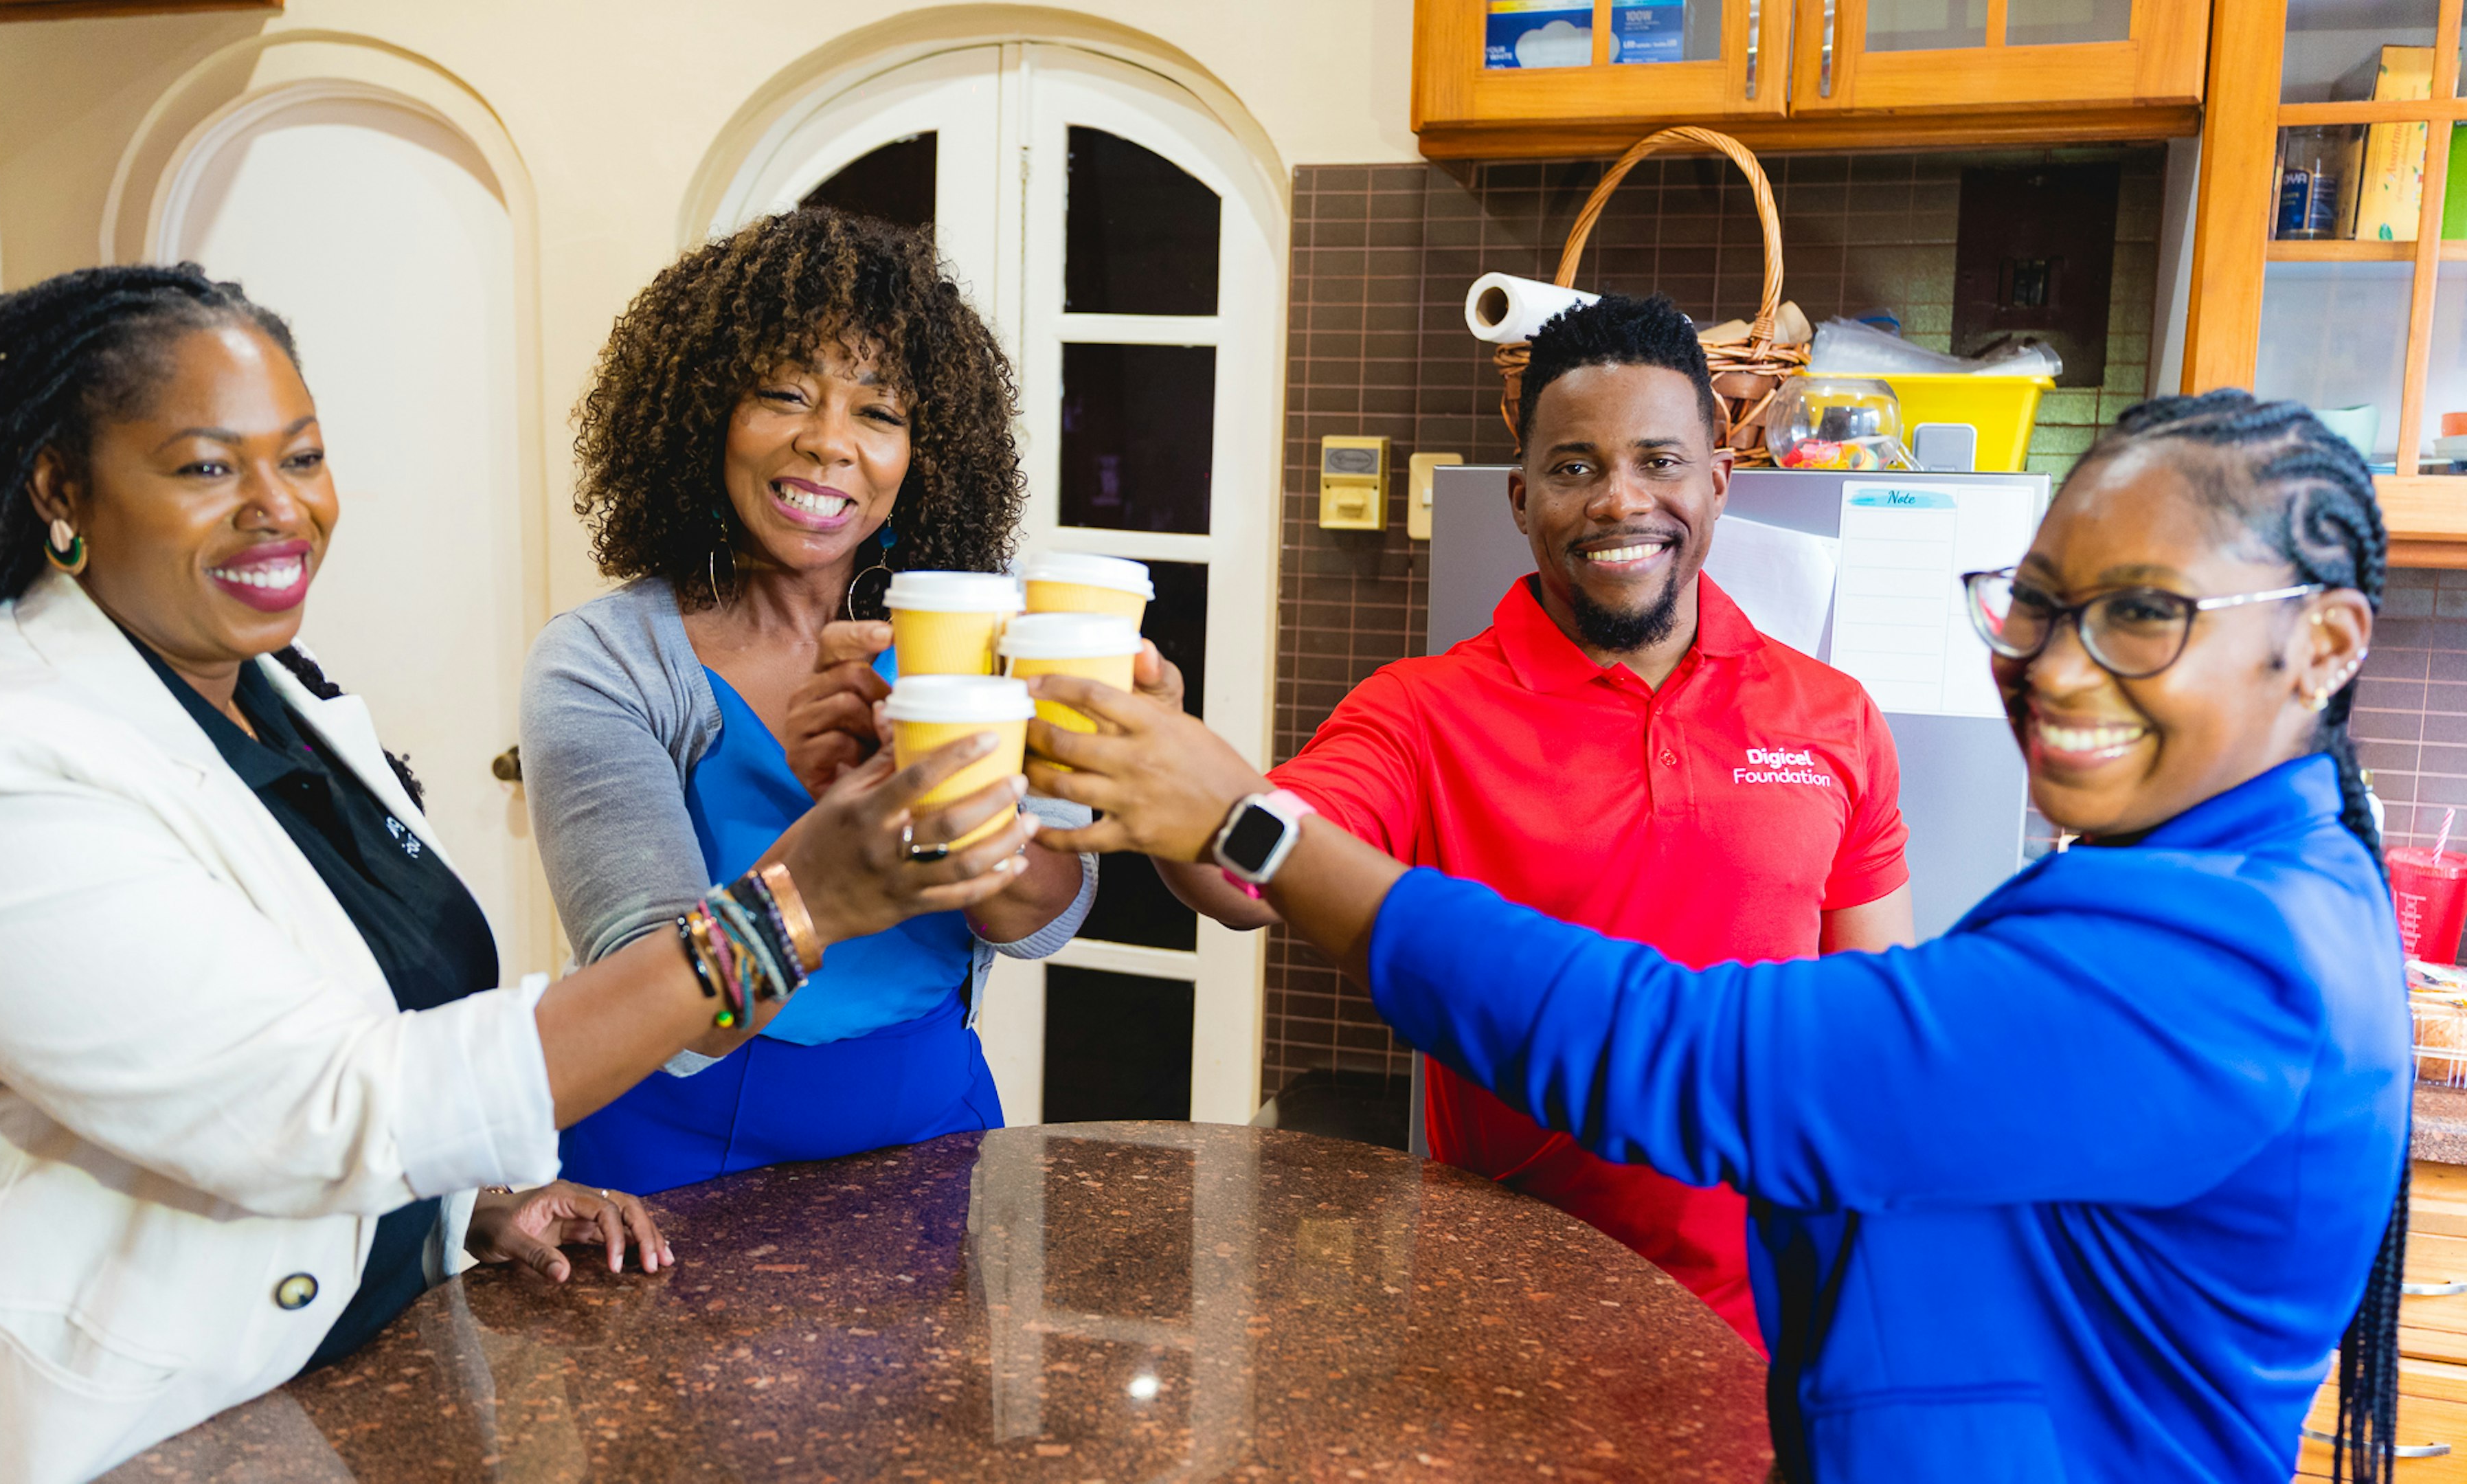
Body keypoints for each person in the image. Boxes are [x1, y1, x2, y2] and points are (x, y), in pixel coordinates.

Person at [1026, 390, 2409, 1483]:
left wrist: (1251, 822)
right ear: (1522, 498)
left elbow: (1702, 1056)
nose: (2052, 664)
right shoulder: (2209, 886)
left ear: (2329, 645)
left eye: (2143, 614)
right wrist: (1213, 820)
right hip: (1529, 1314)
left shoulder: (2228, 955)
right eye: (2034, 604)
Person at [0, 264, 1034, 1483]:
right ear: (59, 487)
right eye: (205, 468)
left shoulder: (273, 702)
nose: (277, 508)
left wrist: (471, 1206)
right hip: (65, 1436)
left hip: (294, 1401)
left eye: (301, 459)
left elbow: (291, 1037)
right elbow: (315, 1110)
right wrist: (792, 910)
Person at [1156, 293, 1913, 1347]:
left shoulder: (1833, 717)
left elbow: (1871, 1033)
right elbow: (1238, 882)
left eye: (1659, 461)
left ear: (1718, 481)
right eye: (1574, 467)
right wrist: (1167, 773)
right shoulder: (1420, 713)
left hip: (1763, 1323)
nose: (1620, 500)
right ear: (1521, 498)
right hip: (1497, 1321)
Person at [519, 207, 1099, 1195]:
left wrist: (935, 783)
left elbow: (1043, 920)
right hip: (672, 1148)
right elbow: (670, 1015)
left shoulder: (978, 643)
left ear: (923, 453)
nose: (829, 443)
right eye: (785, 394)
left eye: (880, 413)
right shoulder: (607, 661)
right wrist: (839, 845)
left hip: (933, 1129)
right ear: (706, 415)